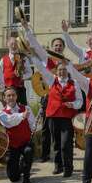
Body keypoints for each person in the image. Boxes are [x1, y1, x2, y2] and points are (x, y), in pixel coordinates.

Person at [31, 57, 83, 177]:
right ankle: (58, 165)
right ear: (56, 71)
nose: (61, 72)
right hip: (53, 116)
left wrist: (73, 104)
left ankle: (68, 167)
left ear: (67, 71)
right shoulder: (51, 80)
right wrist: (32, 53)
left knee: (66, 143)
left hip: (67, 117)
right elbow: (40, 67)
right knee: (56, 143)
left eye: (64, 69)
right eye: (59, 70)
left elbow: (80, 100)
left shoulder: (74, 83)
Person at [22, 20, 65, 163]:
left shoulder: (67, 63)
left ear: (63, 48)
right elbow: (35, 45)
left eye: (60, 46)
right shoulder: (47, 59)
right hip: (48, 97)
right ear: (52, 47)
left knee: (60, 130)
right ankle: (45, 154)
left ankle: (62, 156)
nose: (58, 48)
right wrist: (27, 28)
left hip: (63, 101)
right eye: (56, 46)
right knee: (46, 128)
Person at [0, 87, 36, 183]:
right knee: (13, 178)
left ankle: (26, 176)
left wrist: (33, 129)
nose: (11, 97)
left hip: (25, 142)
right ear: (4, 98)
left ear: (16, 96)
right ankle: (21, 166)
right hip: (12, 146)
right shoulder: (1, 113)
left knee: (29, 151)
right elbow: (10, 122)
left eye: (13, 95)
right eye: (8, 96)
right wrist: (22, 116)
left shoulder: (26, 108)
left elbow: (32, 124)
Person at [0, 36, 33, 105]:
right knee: (8, 111)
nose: (14, 46)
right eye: (12, 44)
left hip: (20, 89)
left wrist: (22, 76)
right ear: (7, 45)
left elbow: (30, 72)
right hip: (7, 90)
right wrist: (1, 88)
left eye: (15, 44)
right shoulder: (3, 60)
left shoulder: (23, 58)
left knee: (23, 109)